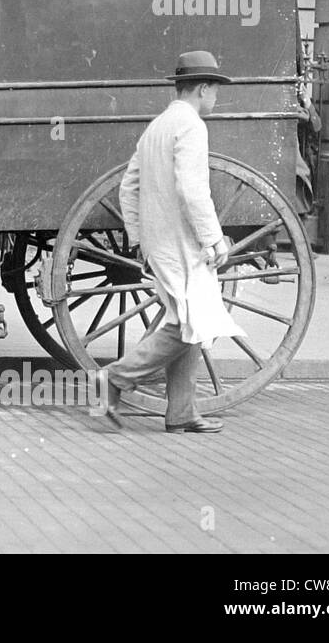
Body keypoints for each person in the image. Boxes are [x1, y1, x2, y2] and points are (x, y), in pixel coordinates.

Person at [94, 50, 245, 434]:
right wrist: (214, 239)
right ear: (204, 88)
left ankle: (180, 410)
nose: (216, 99)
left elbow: (128, 189)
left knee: (192, 319)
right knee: (187, 324)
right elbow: (193, 189)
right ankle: (112, 380)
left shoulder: (157, 126)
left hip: (161, 245)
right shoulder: (191, 126)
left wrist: (141, 238)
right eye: (215, 91)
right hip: (183, 246)